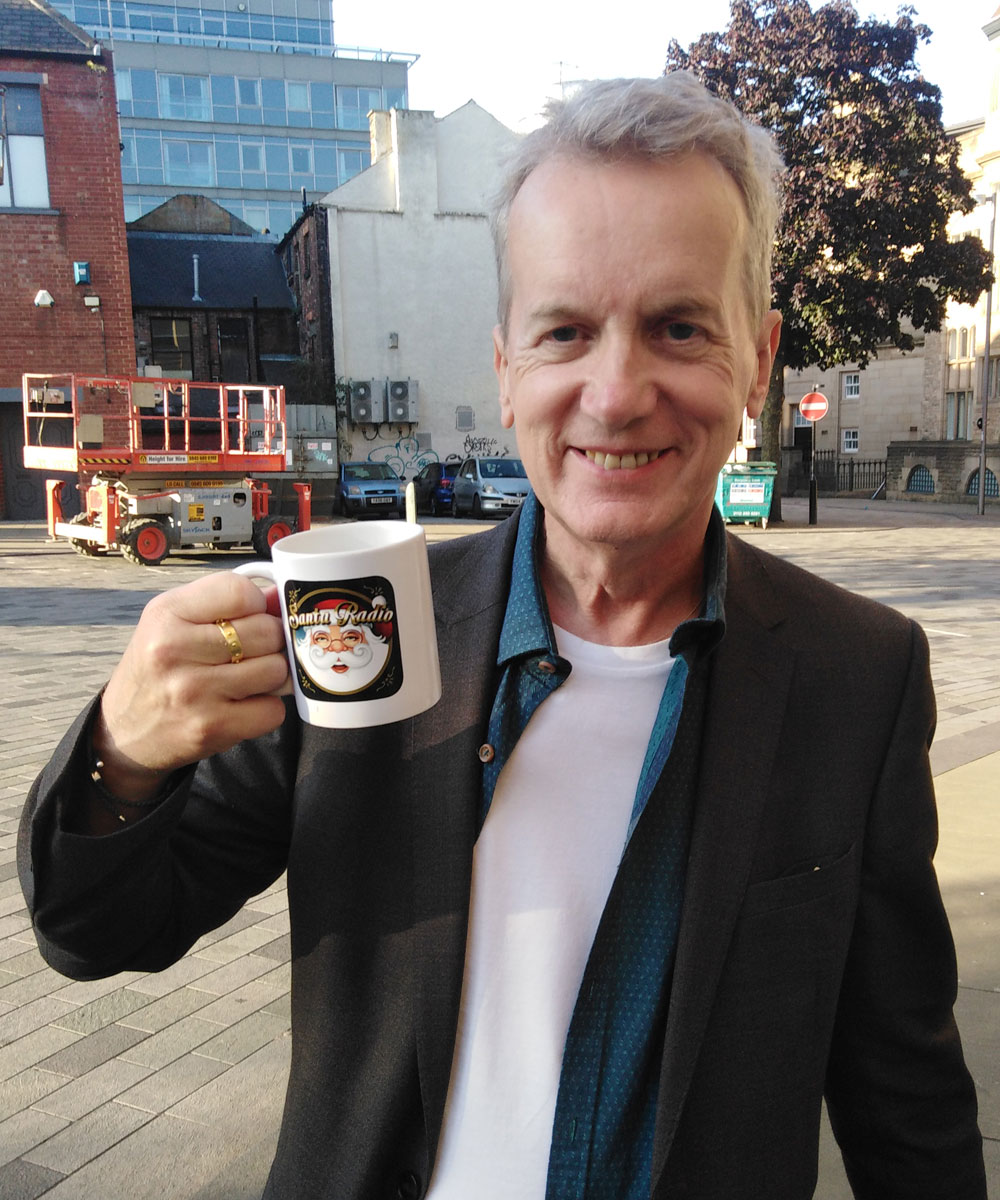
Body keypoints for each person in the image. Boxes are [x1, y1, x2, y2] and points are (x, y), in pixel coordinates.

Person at [19, 73, 986, 1200]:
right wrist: (124, 752)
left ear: (757, 360)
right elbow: (96, 933)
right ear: (505, 366)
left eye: (678, 327)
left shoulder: (855, 675)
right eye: (565, 330)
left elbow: (903, 1093)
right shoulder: (367, 626)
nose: (615, 393)